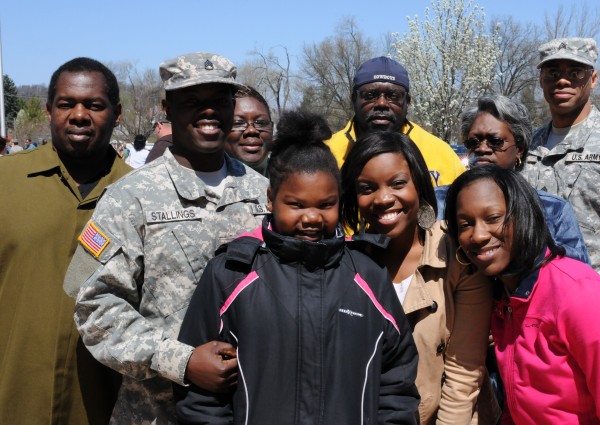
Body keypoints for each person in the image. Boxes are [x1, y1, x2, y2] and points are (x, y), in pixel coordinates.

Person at [174, 111, 419, 424]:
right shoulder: (231, 274)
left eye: (325, 204)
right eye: (297, 204)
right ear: (271, 198)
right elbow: (200, 393)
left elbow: (397, 378)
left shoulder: (368, 275)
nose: (312, 217)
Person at [66, 52, 270, 424]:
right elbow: (94, 306)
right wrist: (183, 361)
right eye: (192, 102)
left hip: (251, 406)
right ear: (167, 108)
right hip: (156, 412)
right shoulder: (131, 197)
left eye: (219, 102)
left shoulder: (266, 195)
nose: (208, 112)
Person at [444, 165, 600, 424]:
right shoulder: (502, 294)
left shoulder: (581, 295)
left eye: (493, 218)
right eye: (465, 224)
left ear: (524, 215)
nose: (478, 235)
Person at [0, 57, 131, 425]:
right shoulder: (4, 180)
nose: (78, 115)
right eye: (66, 104)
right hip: (12, 397)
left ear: (117, 113)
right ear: (48, 110)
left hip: (103, 405)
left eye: (94, 105)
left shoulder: (141, 195)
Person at [341, 131, 495, 424]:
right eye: (367, 188)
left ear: (419, 185)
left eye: (398, 183)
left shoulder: (457, 250)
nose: (384, 198)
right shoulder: (345, 263)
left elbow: (463, 373)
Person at [520, 37, 600, 373]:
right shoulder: (528, 146)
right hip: (539, 325)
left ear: (594, 78)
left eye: (575, 71)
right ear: (541, 79)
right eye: (552, 71)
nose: (563, 79)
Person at [435, 95, 590, 264]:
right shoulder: (440, 202)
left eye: (495, 141)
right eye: (474, 141)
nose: (482, 148)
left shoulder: (553, 210)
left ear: (520, 148)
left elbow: (576, 276)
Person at [326, 56, 466, 187]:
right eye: (370, 95)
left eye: (393, 96)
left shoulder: (442, 154)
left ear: (407, 102)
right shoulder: (326, 154)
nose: (381, 103)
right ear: (353, 100)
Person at [224, 86, 273, 176]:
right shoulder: (207, 181)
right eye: (238, 123)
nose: (251, 130)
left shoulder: (292, 177)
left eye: (261, 123)